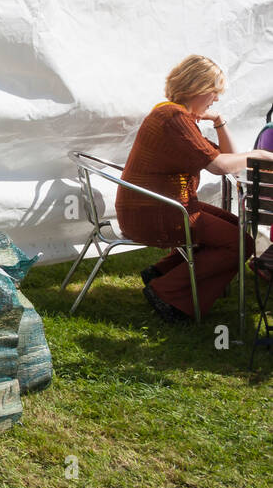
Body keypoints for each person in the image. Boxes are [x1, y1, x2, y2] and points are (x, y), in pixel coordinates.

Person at [116, 55, 273, 322]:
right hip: (153, 211)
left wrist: (219, 121)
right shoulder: (173, 118)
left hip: (159, 204)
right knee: (240, 243)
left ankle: (162, 273)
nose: (216, 99)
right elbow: (219, 166)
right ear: (197, 87)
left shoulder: (175, 114)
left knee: (233, 226)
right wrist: (258, 154)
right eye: (214, 92)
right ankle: (166, 292)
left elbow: (227, 160)